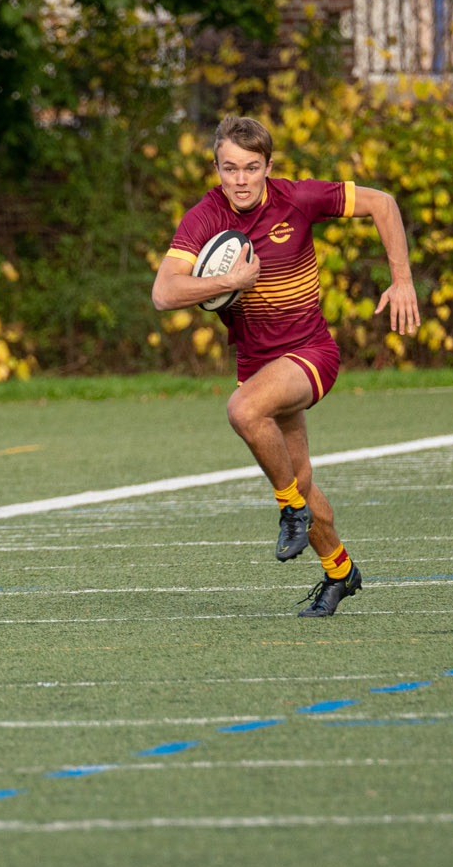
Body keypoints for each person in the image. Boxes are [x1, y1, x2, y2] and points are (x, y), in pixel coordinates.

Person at [152, 115, 420, 616]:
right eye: (230, 168)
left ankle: (289, 509)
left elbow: (382, 203)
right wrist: (228, 283)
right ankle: (340, 572)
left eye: (251, 168)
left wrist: (401, 280)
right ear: (216, 169)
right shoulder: (205, 217)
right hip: (258, 364)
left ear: (268, 167)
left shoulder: (296, 198)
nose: (241, 179)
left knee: (243, 412)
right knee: (300, 475)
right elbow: (165, 292)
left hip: (311, 355)